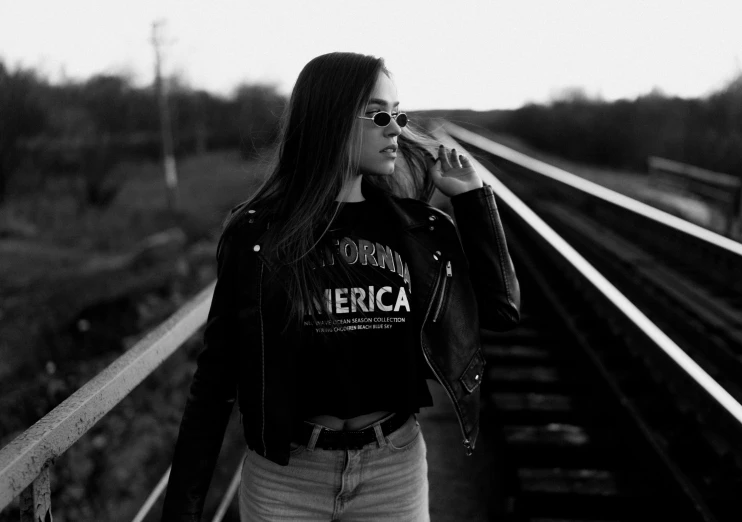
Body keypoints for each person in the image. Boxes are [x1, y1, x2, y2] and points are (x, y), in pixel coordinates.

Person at [160, 51, 521, 522]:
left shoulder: (419, 230)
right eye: (378, 114)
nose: (395, 128)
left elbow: (501, 311)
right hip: (286, 478)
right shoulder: (256, 234)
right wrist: (183, 510)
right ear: (330, 117)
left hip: (393, 470)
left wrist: (473, 200)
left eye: (399, 114)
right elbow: (215, 381)